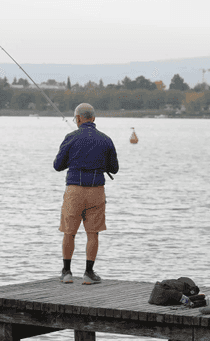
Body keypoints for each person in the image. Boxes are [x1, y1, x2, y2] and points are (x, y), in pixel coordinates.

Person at [53, 103, 119, 285]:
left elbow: (58, 165)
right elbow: (115, 168)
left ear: (79, 118)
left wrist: (74, 159)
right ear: (94, 118)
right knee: (93, 233)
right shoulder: (106, 139)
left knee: (69, 232)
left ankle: (66, 273)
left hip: (74, 190)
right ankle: (89, 274)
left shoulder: (70, 137)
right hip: (96, 191)